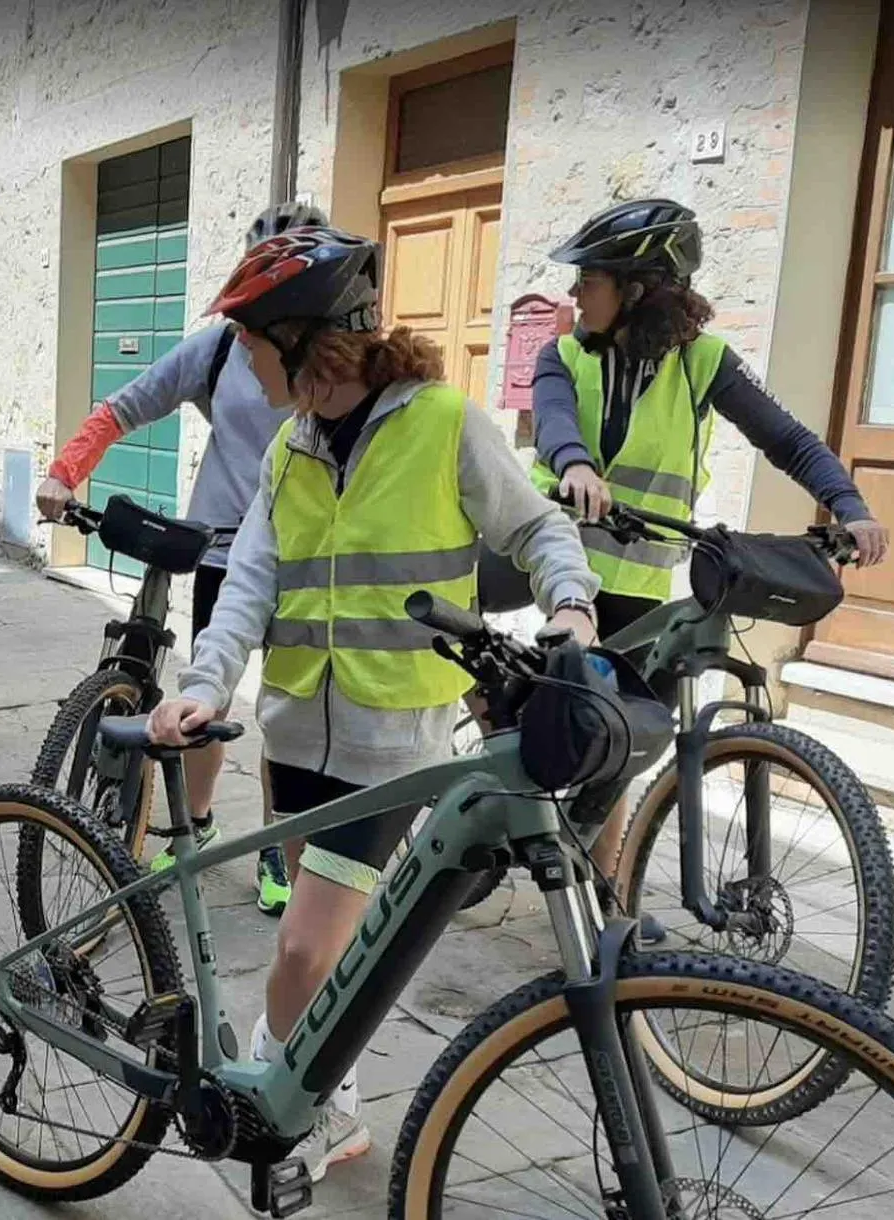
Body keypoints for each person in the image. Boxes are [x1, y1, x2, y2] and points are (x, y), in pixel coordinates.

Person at [147, 226, 598, 1180]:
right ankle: (333, 1104)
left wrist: (571, 605)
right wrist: (203, 685)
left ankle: (279, 1106)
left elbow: (537, 527)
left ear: (306, 344)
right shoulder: (289, 448)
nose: (245, 365)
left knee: (305, 952)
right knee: (330, 946)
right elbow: (249, 584)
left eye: (255, 346)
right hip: (293, 734)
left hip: (393, 743)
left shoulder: (444, 423)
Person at [501, 197, 889, 872]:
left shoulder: (704, 362)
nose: (574, 293)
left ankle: (601, 880)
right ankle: (495, 764)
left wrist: (848, 505)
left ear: (637, 289)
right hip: (554, 559)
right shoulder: (562, 354)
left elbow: (788, 440)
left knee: (623, 734)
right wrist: (576, 466)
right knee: (540, 701)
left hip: (641, 573)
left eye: (588, 279)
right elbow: (556, 420)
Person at [38, 201, 328, 917]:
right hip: (225, 548)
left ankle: (277, 843)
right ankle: (195, 824)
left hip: (305, 554)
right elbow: (126, 405)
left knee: (286, 709)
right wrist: (64, 473)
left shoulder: (332, 362)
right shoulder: (223, 348)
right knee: (210, 695)